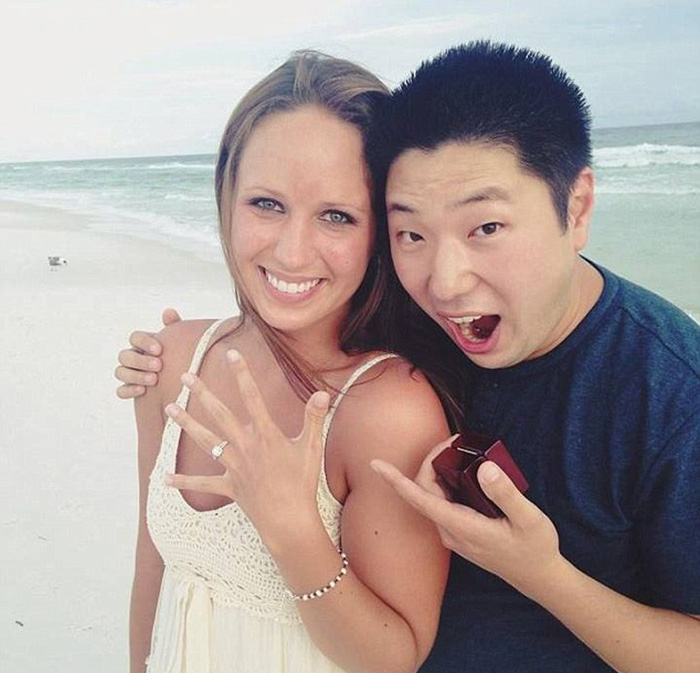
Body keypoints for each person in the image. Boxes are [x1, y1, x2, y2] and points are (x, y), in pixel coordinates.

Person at [117, 42, 700, 673]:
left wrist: (545, 576)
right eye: (412, 233)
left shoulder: (668, 391)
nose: (445, 282)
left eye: (487, 228)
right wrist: (176, 352)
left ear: (577, 206)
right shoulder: (411, 330)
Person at [127, 50, 451, 673]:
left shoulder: (386, 411)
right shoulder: (169, 361)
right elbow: (153, 563)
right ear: (227, 194)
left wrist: (294, 533)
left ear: (378, 232)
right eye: (267, 204)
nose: (293, 250)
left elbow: (395, 656)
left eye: (336, 216)